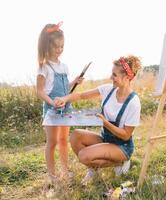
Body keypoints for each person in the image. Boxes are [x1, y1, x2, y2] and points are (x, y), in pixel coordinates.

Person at [54, 55, 142, 185]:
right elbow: (81, 95)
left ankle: (120, 162)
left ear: (127, 77)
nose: (111, 78)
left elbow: (126, 135)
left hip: (121, 146)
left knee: (83, 156)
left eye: (114, 75)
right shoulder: (108, 89)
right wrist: (64, 99)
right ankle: (93, 169)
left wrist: (105, 122)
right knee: (76, 136)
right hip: (106, 139)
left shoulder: (133, 102)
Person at [36, 22, 83, 184]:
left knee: (64, 140)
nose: (59, 50)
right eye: (56, 46)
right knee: (52, 142)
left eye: (62, 46)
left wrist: (74, 82)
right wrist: (52, 103)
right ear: (47, 45)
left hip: (66, 109)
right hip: (51, 110)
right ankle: (52, 175)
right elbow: (40, 91)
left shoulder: (64, 66)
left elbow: (65, 90)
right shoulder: (44, 67)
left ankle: (65, 170)